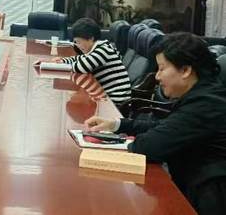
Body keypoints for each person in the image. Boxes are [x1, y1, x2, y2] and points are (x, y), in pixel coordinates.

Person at [85, 33, 226, 215]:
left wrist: (119, 146)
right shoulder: (202, 94)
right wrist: (117, 125)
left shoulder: (206, 104)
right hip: (192, 188)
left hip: (205, 200)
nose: (157, 77)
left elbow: (148, 146)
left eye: (161, 68)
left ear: (185, 70)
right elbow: (166, 127)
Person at [40, 17, 131, 104]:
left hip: (116, 100)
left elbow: (82, 67)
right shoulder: (96, 49)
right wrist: (62, 61)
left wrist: (59, 66)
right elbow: (80, 58)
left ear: (91, 38)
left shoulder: (103, 50)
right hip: (106, 95)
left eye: (78, 42)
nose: (77, 46)